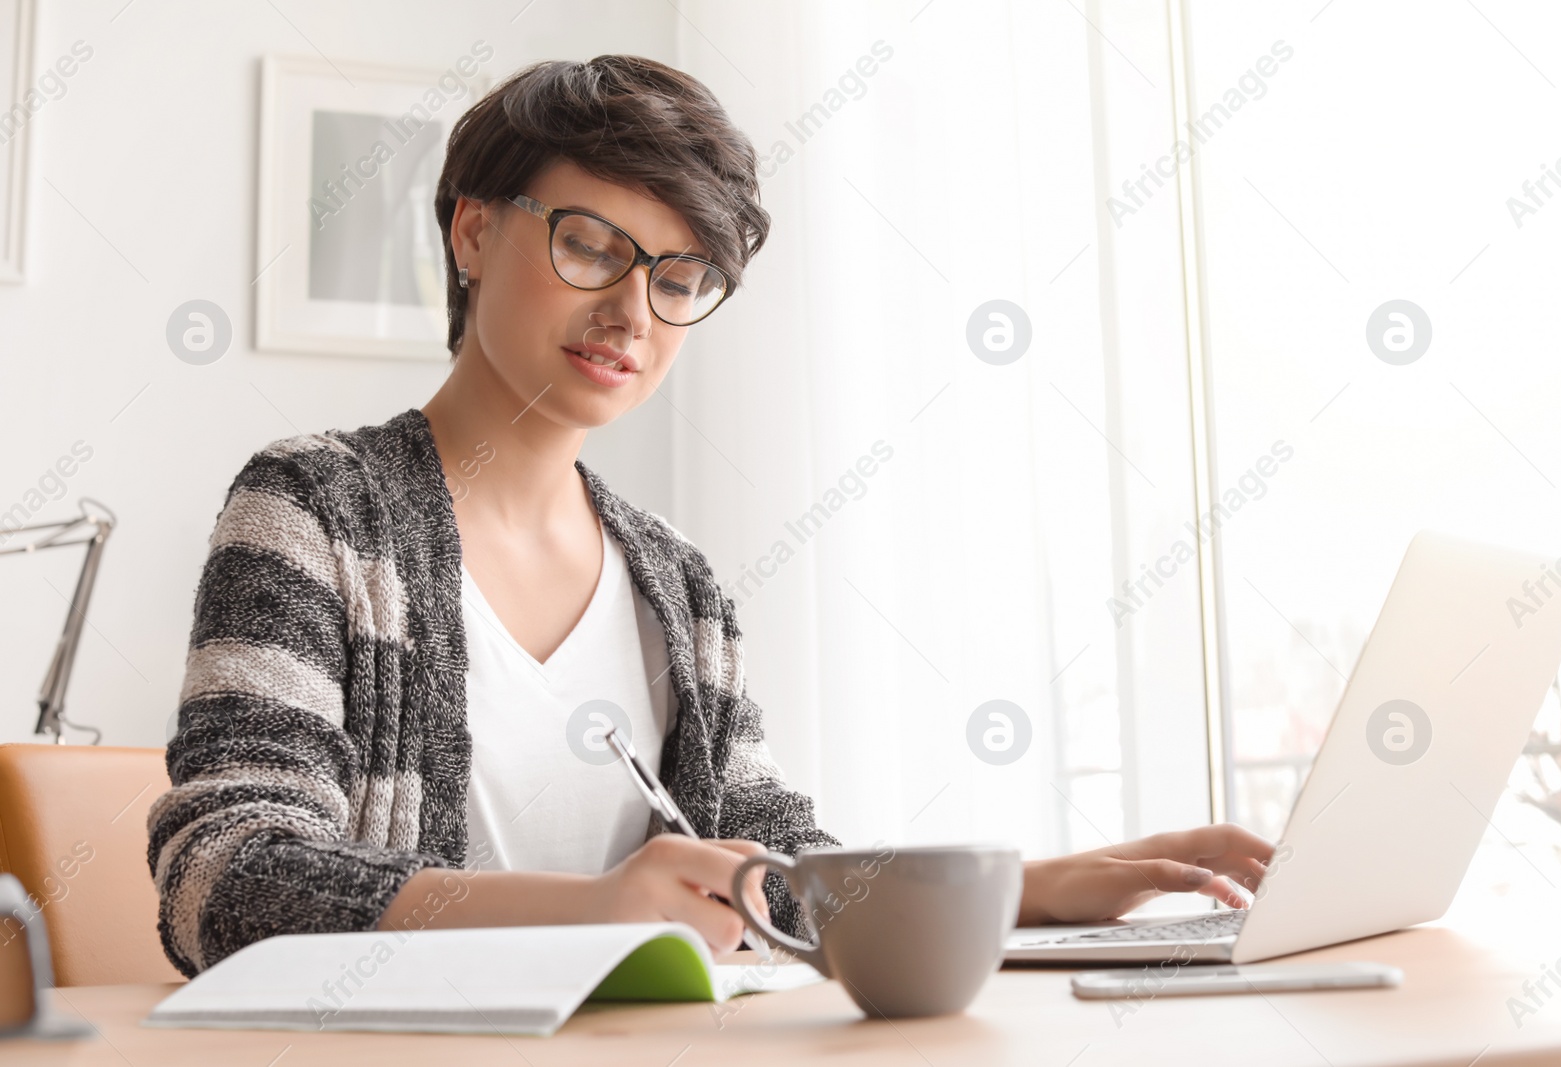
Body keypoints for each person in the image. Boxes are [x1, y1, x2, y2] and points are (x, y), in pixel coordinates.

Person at [147, 54, 1274, 979]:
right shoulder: (314, 509)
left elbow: (771, 865)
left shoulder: (677, 586)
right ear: (474, 233)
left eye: (678, 276)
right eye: (590, 244)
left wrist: (1030, 883)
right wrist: (588, 910)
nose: (631, 309)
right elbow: (227, 875)